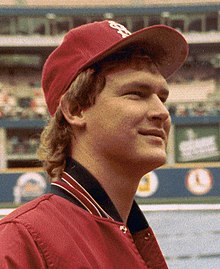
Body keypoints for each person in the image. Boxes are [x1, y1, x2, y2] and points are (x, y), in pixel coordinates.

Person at [0, 20, 188, 268]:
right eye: (136, 93)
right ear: (76, 109)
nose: (161, 112)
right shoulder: (20, 241)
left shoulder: (131, 232)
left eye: (162, 97)